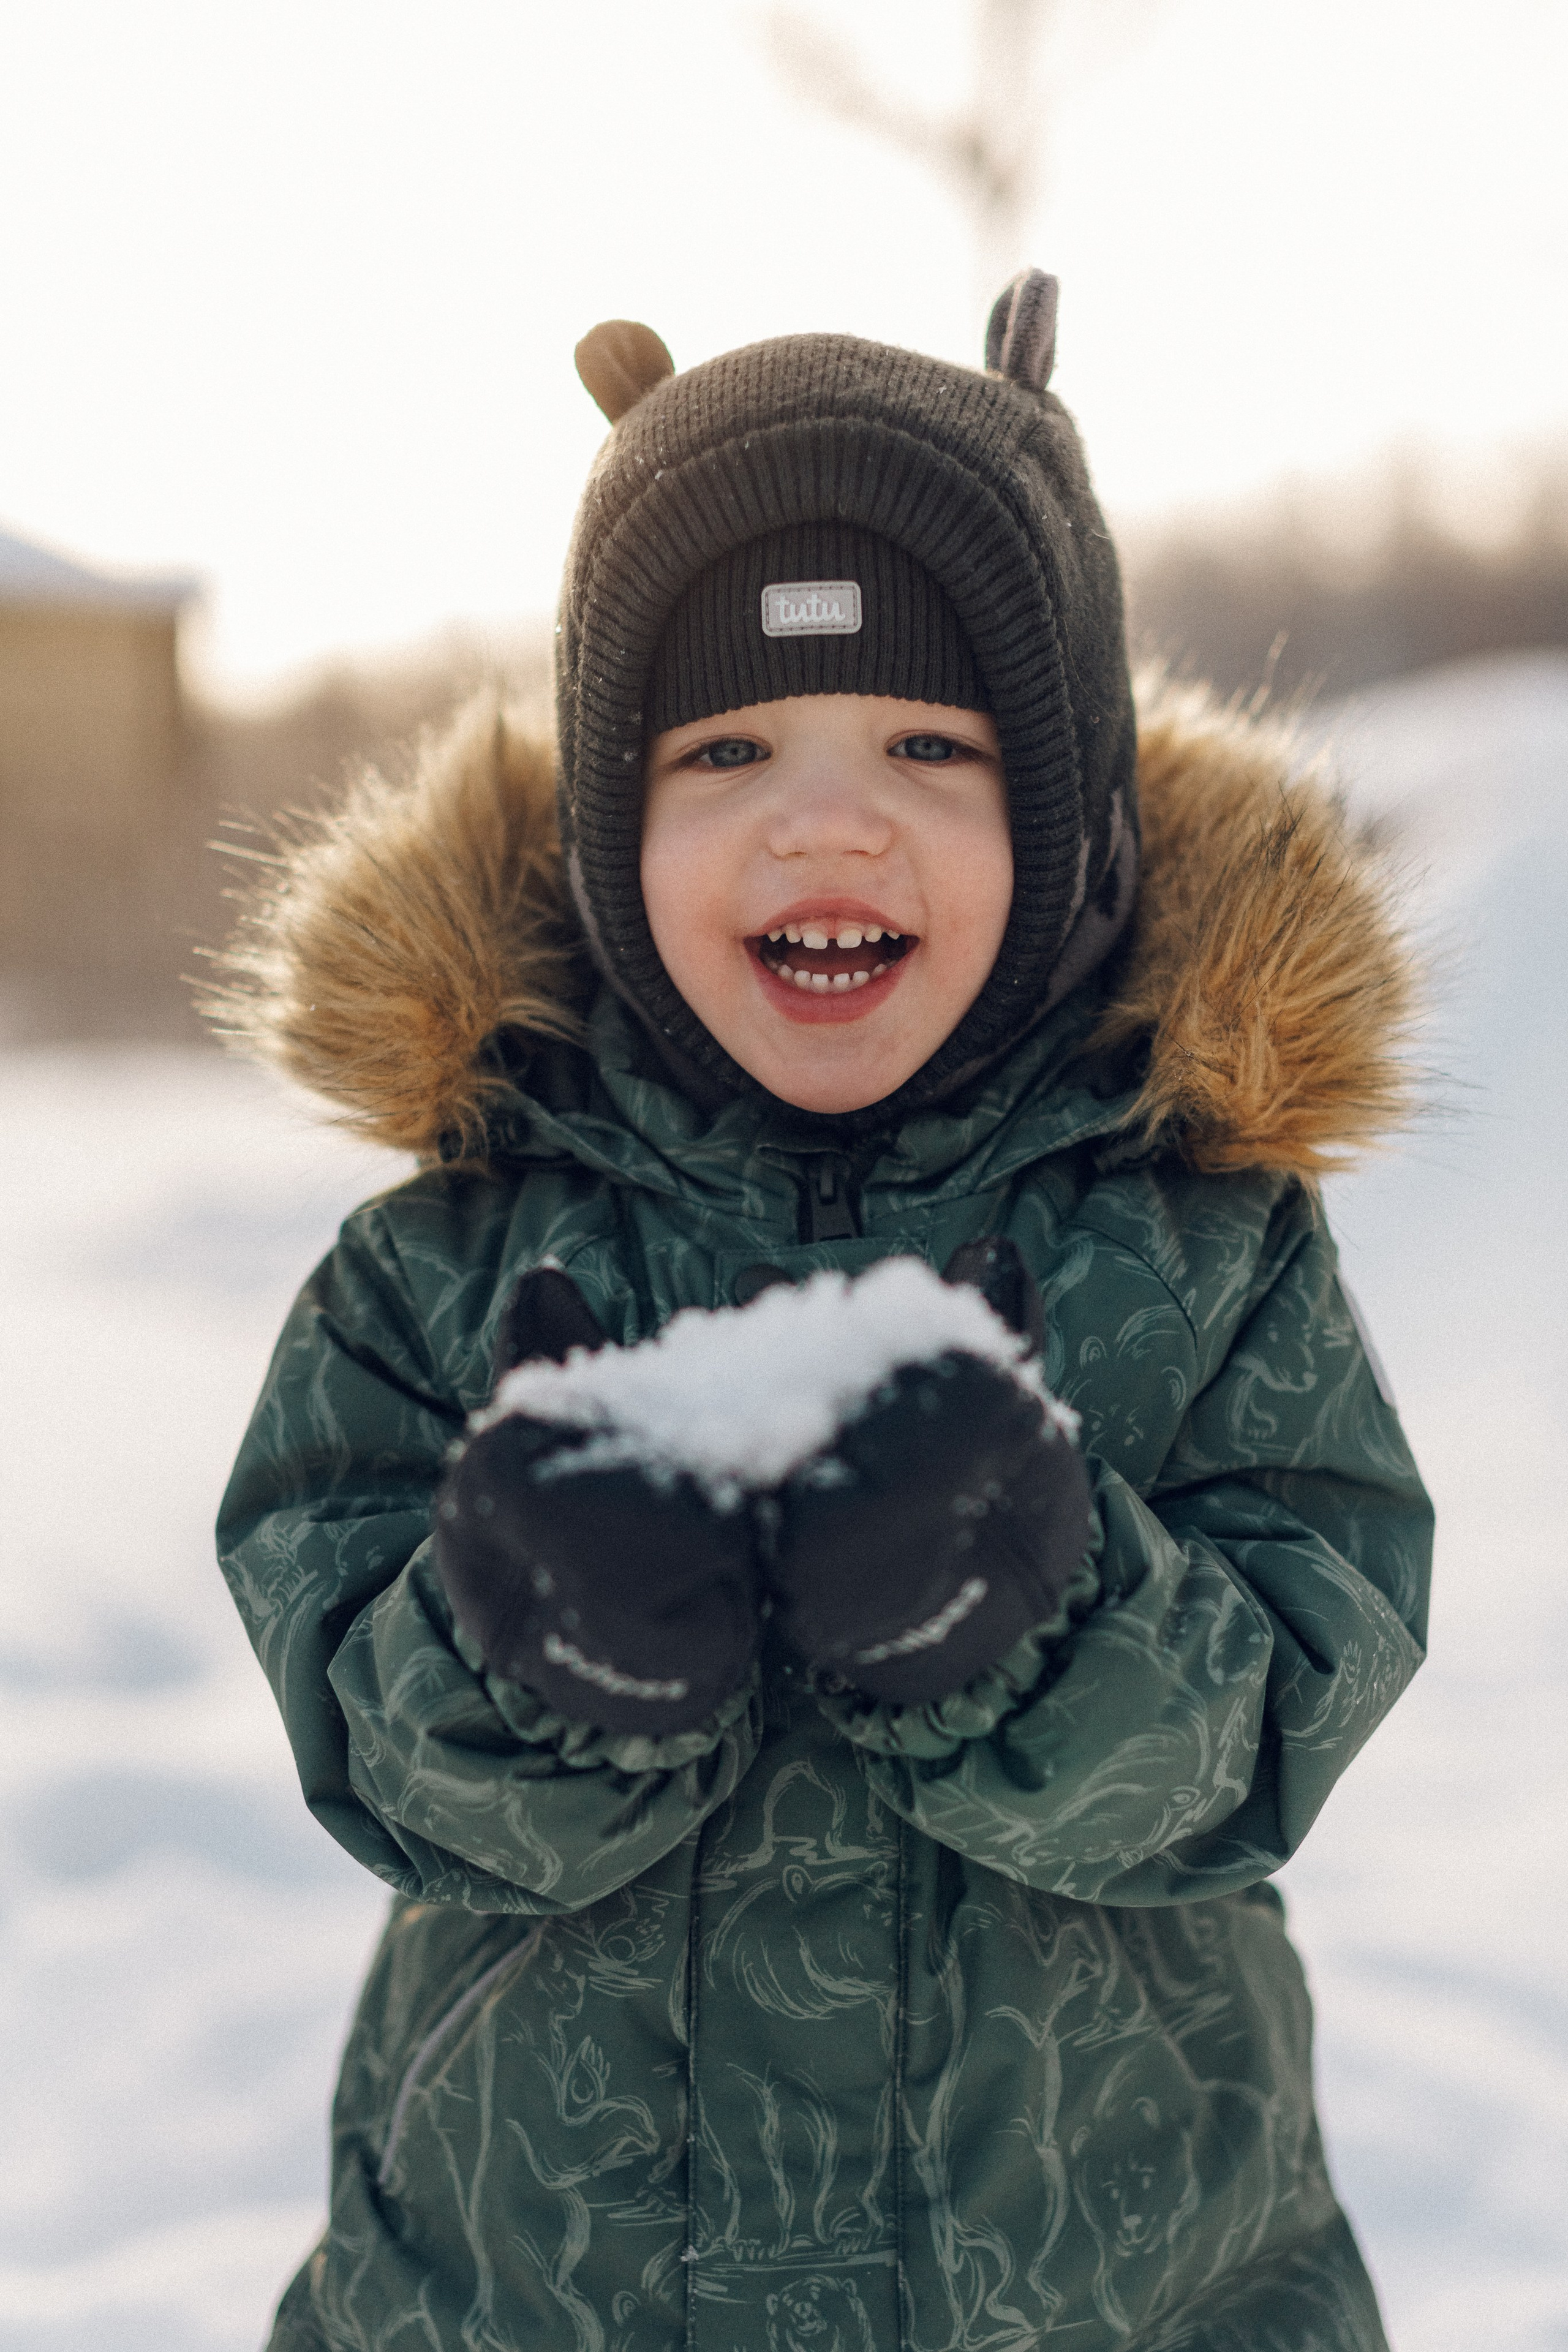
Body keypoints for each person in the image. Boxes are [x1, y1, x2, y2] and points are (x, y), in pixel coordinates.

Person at [213, 271, 1433, 2352]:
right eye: (729, 747)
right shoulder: (450, 1258)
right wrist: (517, 1646)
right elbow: (363, 1723)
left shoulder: (1205, 1243)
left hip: (1122, 2294)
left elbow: (1285, 1707)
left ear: (1068, 830)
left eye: (931, 744)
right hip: (533, 2300)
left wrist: (1052, 1612)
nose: (824, 817)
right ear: (615, 837)